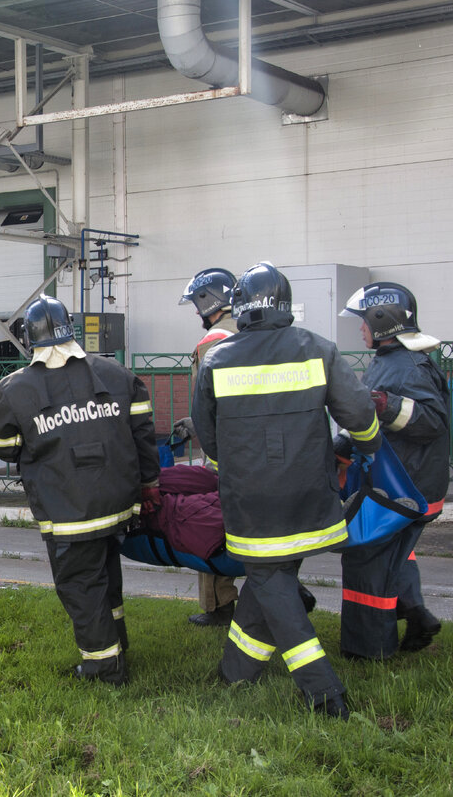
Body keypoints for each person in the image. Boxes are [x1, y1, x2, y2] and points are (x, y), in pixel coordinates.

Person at [192, 262, 381, 719]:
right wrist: (370, 445)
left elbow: (207, 435)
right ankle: (236, 673)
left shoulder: (216, 360)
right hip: (309, 500)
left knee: (269, 583)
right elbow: (358, 414)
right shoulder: (318, 349)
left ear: (239, 307)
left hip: (252, 504)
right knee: (270, 585)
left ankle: (324, 691)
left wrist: (231, 465)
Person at [0, 296, 160, 686]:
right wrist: (149, 484)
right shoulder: (116, 373)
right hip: (117, 504)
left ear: (30, 339)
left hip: (68, 510)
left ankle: (104, 668)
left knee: (81, 585)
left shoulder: (15, 389)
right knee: (105, 575)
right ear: (71, 329)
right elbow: (144, 435)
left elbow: (2, 445)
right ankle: (117, 644)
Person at [337, 282, 448, 659]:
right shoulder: (394, 360)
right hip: (403, 484)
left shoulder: (405, 366)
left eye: (363, 321)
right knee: (394, 554)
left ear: (382, 319)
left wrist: (383, 403)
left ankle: (368, 651)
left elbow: (432, 420)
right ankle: (415, 612)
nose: (360, 329)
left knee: (366, 559)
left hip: (402, 488)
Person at [176, 267, 241, 627]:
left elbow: (208, 404)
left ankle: (218, 606)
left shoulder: (212, 342)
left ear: (208, 301)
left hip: (223, 456)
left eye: (196, 304)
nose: (196, 313)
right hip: (263, 453)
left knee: (212, 526)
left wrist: (196, 426)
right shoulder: (254, 332)